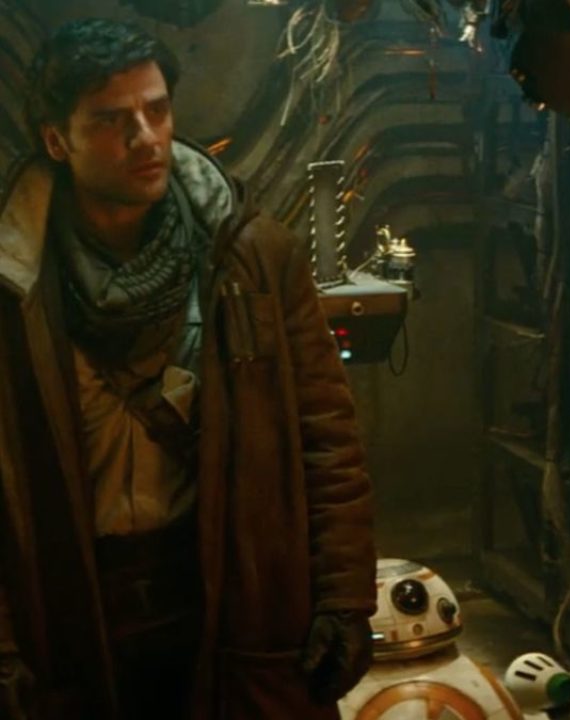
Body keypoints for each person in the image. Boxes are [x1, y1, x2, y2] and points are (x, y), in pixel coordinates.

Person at [0, 19, 375, 719]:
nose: (146, 138)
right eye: (111, 121)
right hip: (78, 614)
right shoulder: (15, 281)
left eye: (157, 110)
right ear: (56, 141)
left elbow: (325, 436)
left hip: (229, 594)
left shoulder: (251, 255)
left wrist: (346, 598)